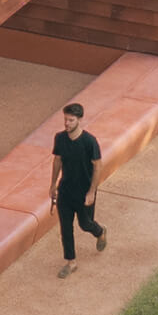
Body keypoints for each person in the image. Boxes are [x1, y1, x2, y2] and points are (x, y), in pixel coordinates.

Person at [49, 101, 107, 278]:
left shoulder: (90, 142)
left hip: (84, 192)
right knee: (66, 228)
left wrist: (91, 192)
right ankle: (71, 262)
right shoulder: (59, 138)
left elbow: (97, 167)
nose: (67, 124)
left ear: (80, 120)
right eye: (65, 120)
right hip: (65, 191)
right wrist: (52, 185)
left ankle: (100, 231)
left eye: (71, 120)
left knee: (85, 224)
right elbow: (57, 160)